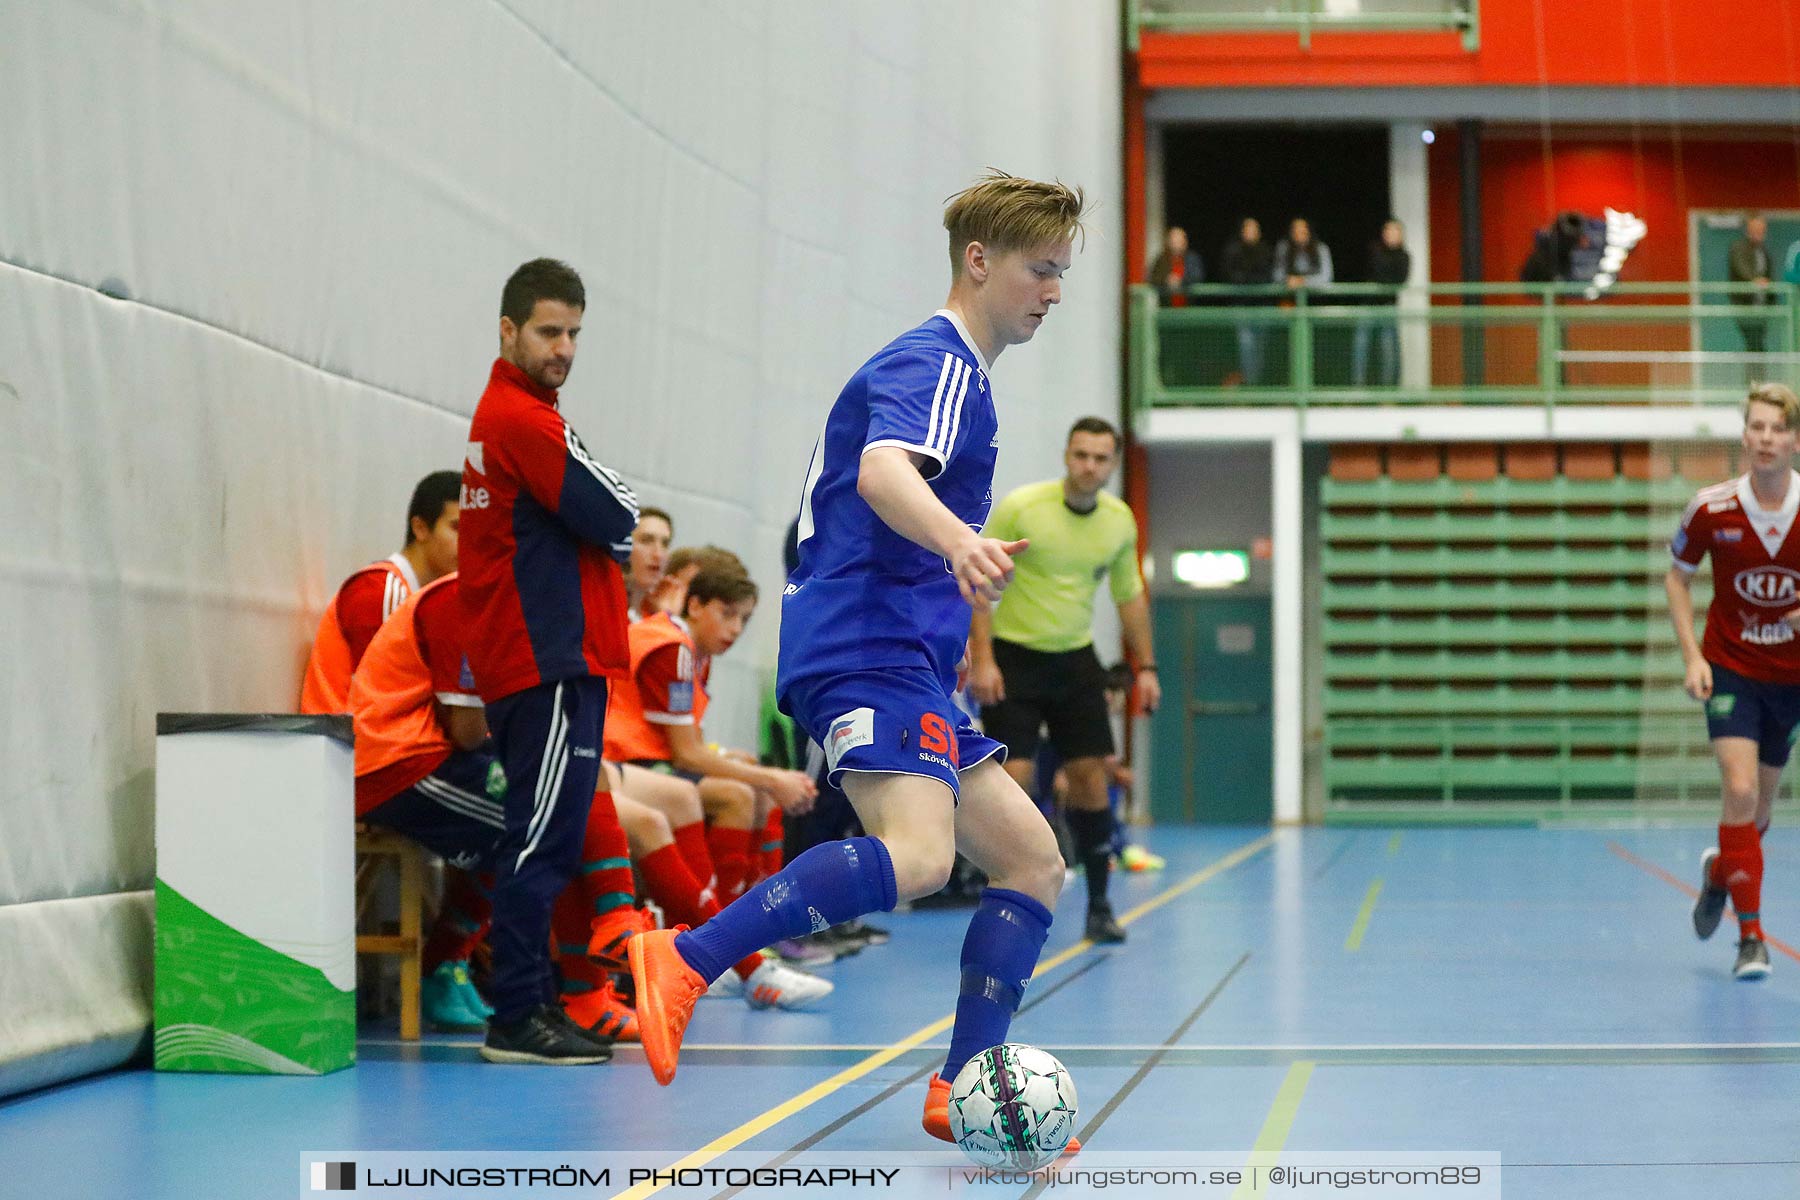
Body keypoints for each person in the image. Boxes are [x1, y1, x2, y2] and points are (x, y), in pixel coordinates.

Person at [627, 170, 1087, 1161]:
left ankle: (961, 1081)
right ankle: (685, 957)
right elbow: (884, 471)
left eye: (1062, 272)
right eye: (1039, 269)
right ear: (979, 261)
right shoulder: (941, 363)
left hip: (904, 656)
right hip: (864, 643)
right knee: (919, 855)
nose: (1053, 291)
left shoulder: (960, 374)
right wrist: (960, 544)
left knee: (1033, 861)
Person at [460, 258, 642, 1064]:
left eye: (573, 332)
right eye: (547, 331)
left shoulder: (527, 414)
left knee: (551, 837)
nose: (563, 346)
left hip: (551, 660)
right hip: (546, 659)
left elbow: (604, 518)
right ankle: (514, 1015)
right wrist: (612, 518)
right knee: (540, 841)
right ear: (508, 332)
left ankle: (534, 1003)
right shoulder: (524, 420)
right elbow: (616, 510)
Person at [967, 417, 1159, 944]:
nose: (1089, 466)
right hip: (1014, 659)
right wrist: (981, 659)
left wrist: (1147, 668)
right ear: (1066, 456)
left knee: (1092, 781)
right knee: (1016, 782)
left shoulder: (1119, 522)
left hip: (1075, 661)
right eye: (1081, 455)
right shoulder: (1024, 507)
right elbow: (979, 579)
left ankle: (1098, 906)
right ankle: (1008, 904)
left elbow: (1130, 597)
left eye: (1100, 458)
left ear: (1113, 464)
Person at [1668, 382, 1800, 981]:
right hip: (1731, 670)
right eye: (1756, 427)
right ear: (1744, 435)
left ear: (1794, 439)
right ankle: (1751, 939)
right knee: (1740, 789)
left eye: (1777, 429)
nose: (1765, 439)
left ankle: (1720, 872)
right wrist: (1694, 655)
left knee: (1757, 817)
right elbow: (1677, 578)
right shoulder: (1711, 507)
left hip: (1789, 681)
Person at [604, 560, 818, 902]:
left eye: (744, 620)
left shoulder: (695, 653)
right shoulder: (674, 648)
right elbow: (686, 754)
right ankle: (726, 925)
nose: (735, 629)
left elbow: (684, 744)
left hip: (647, 759)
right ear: (695, 605)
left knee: (760, 792)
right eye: (727, 614)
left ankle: (759, 920)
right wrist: (772, 777)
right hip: (621, 762)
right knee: (740, 795)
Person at [299, 470, 461, 715]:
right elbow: (374, 705)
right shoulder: (382, 590)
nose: (470, 542)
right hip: (340, 745)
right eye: (457, 528)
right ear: (420, 528)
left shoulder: (424, 600)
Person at [1351, 218, 1411, 388]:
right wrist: (1384, 275)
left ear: (1401, 235)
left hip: (1388, 306)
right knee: (1360, 345)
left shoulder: (1404, 256)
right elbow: (1372, 271)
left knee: (1388, 349)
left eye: (1395, 231)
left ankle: (1388, 391)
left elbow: (1400, 280)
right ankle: (1358, 389)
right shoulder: (1374, 250)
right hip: (1368, 304)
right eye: (1388, 231)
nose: (1390, 235)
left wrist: (1384, 277)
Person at [1220, 218, 1273, 385]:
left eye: (1254, 230)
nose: (1250, 233)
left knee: (1260, 348)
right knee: (1245, 346)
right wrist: (1248, 278)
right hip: (1242, 306)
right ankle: (1249, 384)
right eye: (1247, 229)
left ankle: (1256, 383)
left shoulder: (1266, 251)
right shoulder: (1233, 250)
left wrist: (1248, 278)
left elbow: (1267, 276)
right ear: (1242, 232)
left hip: (1262, 307)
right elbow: (1230, 275)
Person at [1729, 213, 1776, 364]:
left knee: (1759, 346)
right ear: (1749, 229)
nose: (1759, 233)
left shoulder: (1764, 251)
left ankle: (1760, 383)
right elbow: (1741, 267)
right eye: (1756, 229)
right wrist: (1754, 280)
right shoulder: (1739, 248)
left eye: (1762, 229)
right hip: (1744, 305)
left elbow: (1768, 275)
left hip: (1762, 307)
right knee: (1753, 345)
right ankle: (1753, 383)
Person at [625, 506, 674, 621]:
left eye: (665, 544)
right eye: (646, 541)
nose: (658, 554)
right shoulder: (602, 605)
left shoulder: (657, 612)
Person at [1147, 226, 1203, 307]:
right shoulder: (1161, 260)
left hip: (1188, 308)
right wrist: (1166, 280)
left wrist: (1181, 281)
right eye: (1173, 241)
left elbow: (1198, 276)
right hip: (1167, 308)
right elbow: (1153, 278)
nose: (1175, 244)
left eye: (1178, 241)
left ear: (1185, 242)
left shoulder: (1192, 259)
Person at [1273, 217, 1333, 290]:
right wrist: (1287, 280)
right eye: (1295, 232)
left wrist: (1303, 281)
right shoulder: (1284, 248)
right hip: (1290, 293)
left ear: (1309, 232)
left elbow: (1327, 276)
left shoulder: (1321, 248)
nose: (1299, 236)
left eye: (1303, 232)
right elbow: (1277, 275)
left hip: (1316, 294)